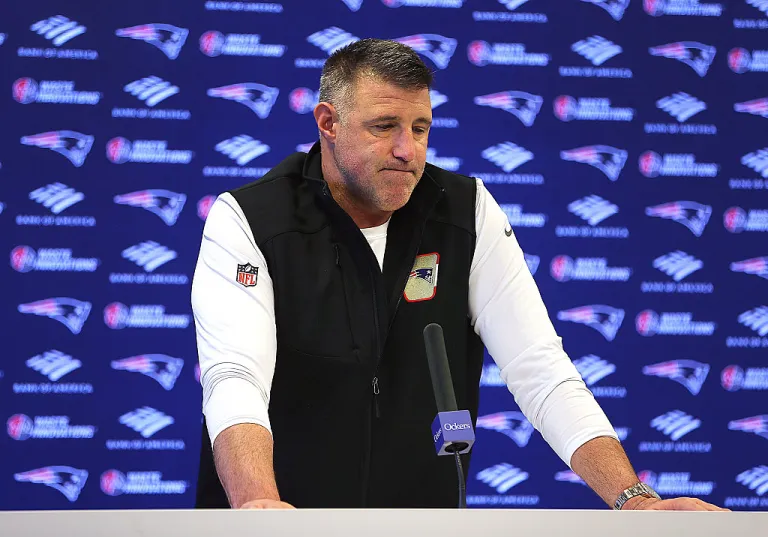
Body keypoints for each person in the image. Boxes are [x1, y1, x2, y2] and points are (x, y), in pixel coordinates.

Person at [191, 39, 725, 511]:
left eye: (420, 128)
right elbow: (234, 376)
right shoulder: (250, 219)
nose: (407, 150)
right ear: (327, 123)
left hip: (423, 522)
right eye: (384, 127)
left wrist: (633, 501)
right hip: (283, 521)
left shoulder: (464, 210)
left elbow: (539, 367)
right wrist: (256, 505)